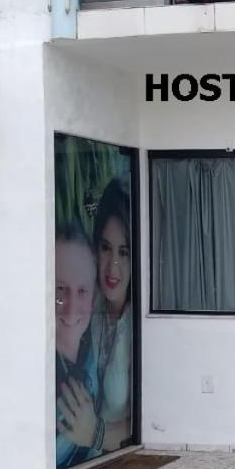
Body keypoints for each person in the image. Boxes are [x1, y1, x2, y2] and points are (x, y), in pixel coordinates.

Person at [55, 222, 102, 469]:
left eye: (82, 290)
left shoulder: (93, 351)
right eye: (60, 289)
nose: (71, 309)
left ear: (94, 298)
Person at [91, 179, 133, 451]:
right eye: (106, 248)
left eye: (124, 252)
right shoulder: (86, 303)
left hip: (117, 457)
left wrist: (94, 434)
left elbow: (145, 424)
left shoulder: (138, 328)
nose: (112, 266)